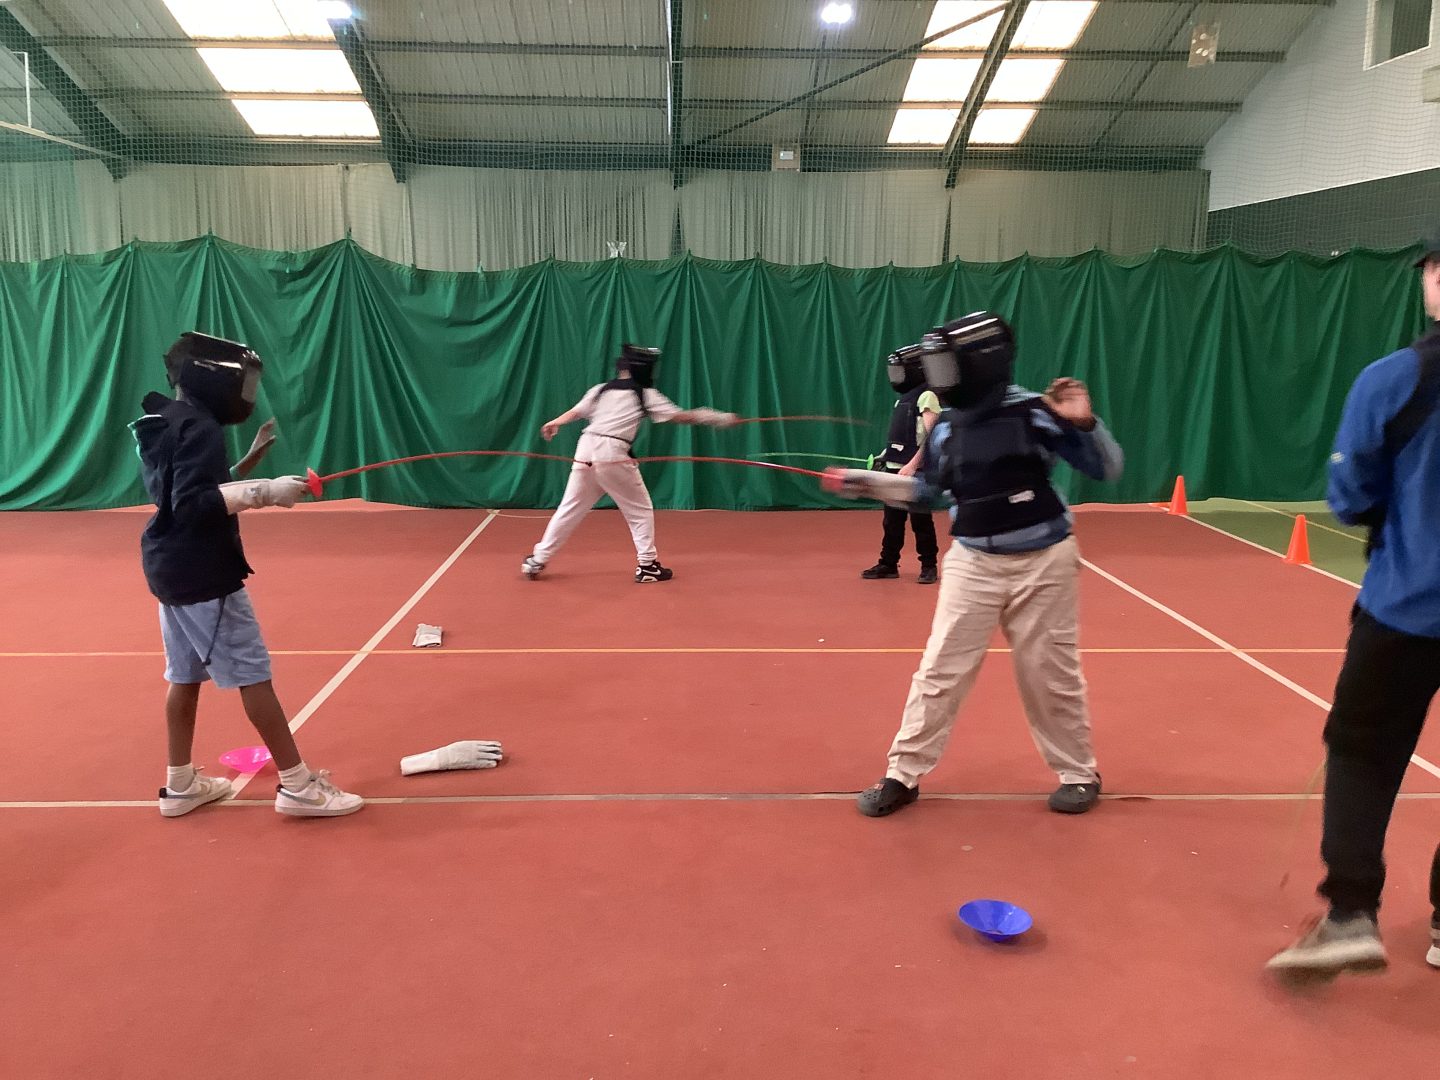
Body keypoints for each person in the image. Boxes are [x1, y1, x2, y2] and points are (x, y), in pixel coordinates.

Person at [824, 311, 1123, 816]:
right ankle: (902, 774)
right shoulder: (946, 428)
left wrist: (1084, 424)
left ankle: (1078, 773)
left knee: (1050, 675)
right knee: (940, 669)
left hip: (1044, 563)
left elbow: (1106, 467)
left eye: (947, 366)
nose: (940, 378)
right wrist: (869, 483)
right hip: (973, 562)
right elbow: (928, 492)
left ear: (981, 363)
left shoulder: (1033, 412)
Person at [1267, 234, 1440, 977]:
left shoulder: (1395, 378)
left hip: (1406, 608)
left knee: (1362, 754)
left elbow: (1352, 495)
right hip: (1407, 604)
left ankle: (1350, 913)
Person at [133, 331, 364, 819]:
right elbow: (192, 505)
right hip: (203, 572)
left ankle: (180, 784)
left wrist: (244, 468)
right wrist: (264, 492)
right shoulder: (201, 428)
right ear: (210, 379)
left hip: (169, 566)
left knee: (184, 676)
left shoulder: (171, 420)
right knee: (253, 676)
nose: (247, 393)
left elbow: (183, 489)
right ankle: (298, 787)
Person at [521, 344, 739, 583]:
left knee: (569, 508)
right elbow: (681, 417)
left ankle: (537, 560)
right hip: (611, 453)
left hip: (585, 450)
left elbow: (576, 412)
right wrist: (719, 418)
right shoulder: (644, 393)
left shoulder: (601, 389)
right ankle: (647, 566)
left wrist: (555, 422)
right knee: (640, 510)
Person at [859, 344, 942, 585]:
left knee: (920, 520)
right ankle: (888, 563)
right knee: (892, 521)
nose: (896, 377)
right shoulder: (903, 400)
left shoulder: (927, 396)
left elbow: (932, 437)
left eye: (900, 371)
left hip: (916, 472)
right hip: (896, 469)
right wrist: (884, 457)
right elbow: (901, 436)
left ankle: (928, 566)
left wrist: (914, 465)